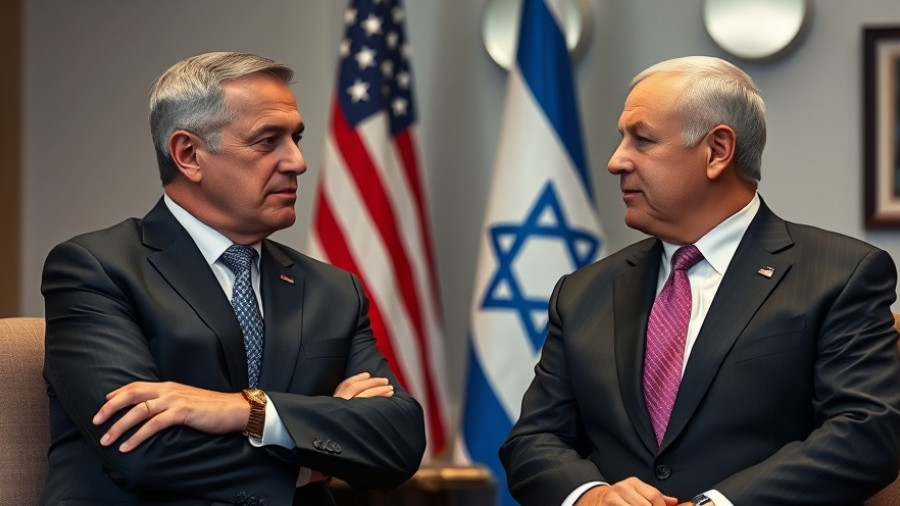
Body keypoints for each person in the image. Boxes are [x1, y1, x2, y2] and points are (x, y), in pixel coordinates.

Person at [499, 55, 900, 506]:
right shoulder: (582, 292)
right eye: (621, 139)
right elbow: (533, 441)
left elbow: (865, 432)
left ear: (717, 151)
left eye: (642, 140)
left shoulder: (840, 274)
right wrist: (593, 496)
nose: (615, 161)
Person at [40, 51, 426, 505]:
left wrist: (249, 410)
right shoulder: (97, 268)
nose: (297, 162)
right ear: (189, 154)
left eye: (296, 139)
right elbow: (141, 450)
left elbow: (398, 441)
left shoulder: (333, 291)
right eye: (268, 141)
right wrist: (315, 455)